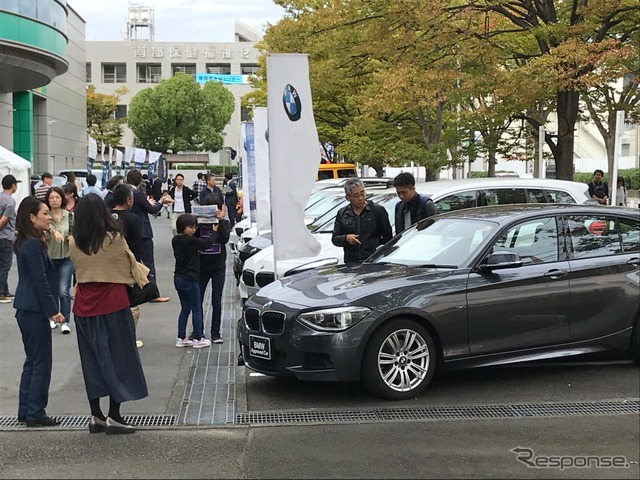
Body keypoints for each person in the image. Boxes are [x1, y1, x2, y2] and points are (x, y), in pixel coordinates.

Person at [69, 193, 149, 435]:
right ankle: (115, 416)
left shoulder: (74, 241)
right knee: (120, 359)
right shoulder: (114, 238)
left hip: (83, 306)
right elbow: (129, 264)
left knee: (91, 361)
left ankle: (96, 416)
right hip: (113, 304)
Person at [13, 196, 64, 427]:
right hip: (33, 307)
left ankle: (26, 410)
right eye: (44, 213)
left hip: (26, 307)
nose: (48, 217)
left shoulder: (27, 241)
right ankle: (35, 412)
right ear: (31, 217)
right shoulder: (32, 244)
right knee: (41, 361)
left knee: (32, 361)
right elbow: (39, 280)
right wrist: (53, 310)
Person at [126, 169, 173, 302]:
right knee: (148, 262)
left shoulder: (124, 192)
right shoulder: (137, 194)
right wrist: (161, 202)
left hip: (129, 232)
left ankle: (133, 290)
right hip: (142, 231)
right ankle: (152, 293)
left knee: (133, 262)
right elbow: (152, 209)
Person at [172, 213, 214, 348]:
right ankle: (198, 338)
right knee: (196, 308)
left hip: (178, 277)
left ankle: (181, 337)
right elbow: (206, 243)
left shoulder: (176, 240)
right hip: (190, 278)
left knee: (185, 308)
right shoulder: (190, 241)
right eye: (191, 227)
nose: (194, 230)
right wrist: (213, 232)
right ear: (184, 227)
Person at [111, 183, 144, 349]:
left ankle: (114, 337)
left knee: (113, 301)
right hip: (128, 265)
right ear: (129, 200)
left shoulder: (107, 216)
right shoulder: (133, 219)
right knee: (132, 304)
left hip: (109, 266)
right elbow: (137, 245)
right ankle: (129, 337)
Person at [331, 178, 393, 264]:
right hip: (351, 263)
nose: (360, 198)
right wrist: (346, 238)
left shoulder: (377, 210)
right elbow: (335, 239)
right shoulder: (343, 213)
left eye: (362, 193)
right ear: (348, 198)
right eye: (356, 196)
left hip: (373, 261)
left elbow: (388, 238)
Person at [196, 193, 230, 344]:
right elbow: (193, 238)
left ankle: (215, 333)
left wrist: (221, 221)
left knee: (216, 300)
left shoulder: (224, 222)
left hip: (218, 266)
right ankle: (198, 331)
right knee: (198, 300)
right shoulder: (198, 223)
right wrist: (195, 220)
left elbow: (224, 239)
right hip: (201, 266)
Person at [44, 187, 74, 334]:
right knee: (52, 290)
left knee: (64, 290)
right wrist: (51, 231)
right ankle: (53, 317)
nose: (54, 200)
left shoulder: (69, 215)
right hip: (49, 257)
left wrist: (71, 237)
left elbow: (74, 232)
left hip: (66, 258)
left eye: (57, 197)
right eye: (51, 198)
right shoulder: (45, 216)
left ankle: (66, 321)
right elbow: (42, 231)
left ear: (62, 199)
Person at [0, 174, 19, 303]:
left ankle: (5, 290)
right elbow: (4, 219)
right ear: (13, 185)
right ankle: (1, 292)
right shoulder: (10, 201)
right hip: (5, 236)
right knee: (5, 266)